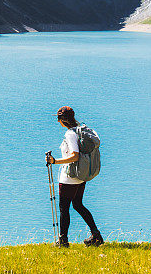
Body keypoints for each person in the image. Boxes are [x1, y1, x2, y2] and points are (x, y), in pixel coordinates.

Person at [45, 106, 103, 248]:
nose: (58, 122)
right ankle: (96, 236)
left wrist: (55, 161)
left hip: (69, 177)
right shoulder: (82, 129)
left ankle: (63, 241)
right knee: (77, 204)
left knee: (64, 209)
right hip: (81, 175)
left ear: (62, 120)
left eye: (59, 119)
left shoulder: (70, 134)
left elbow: (75, 156)